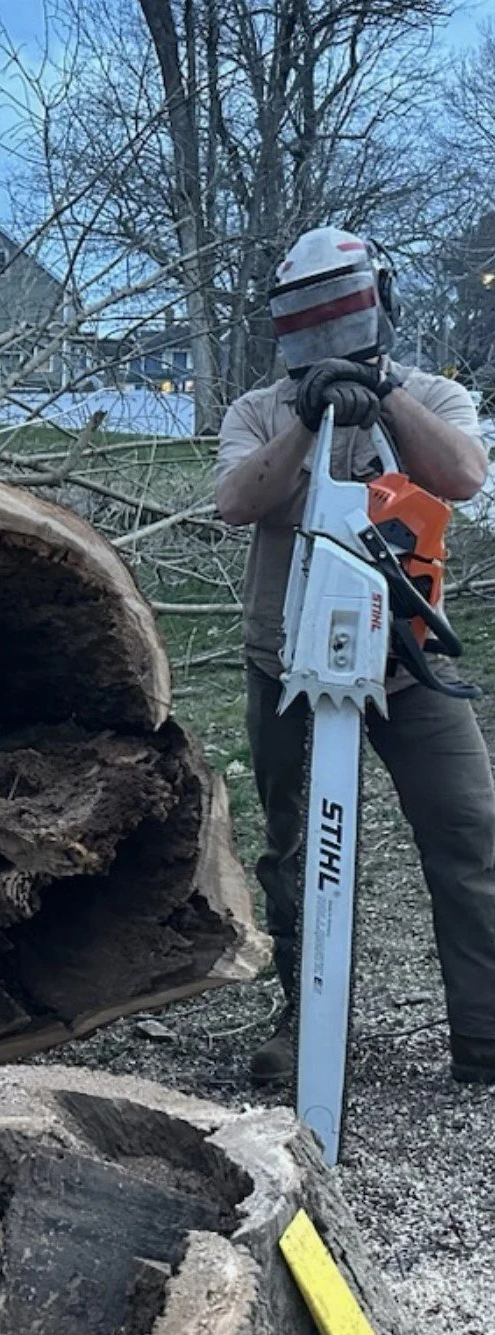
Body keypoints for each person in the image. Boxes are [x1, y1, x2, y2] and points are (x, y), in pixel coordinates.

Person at [214, 224, 495, 1084]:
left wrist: (382, 395)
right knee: (293, 847)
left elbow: (464, 475)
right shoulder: (258, 412)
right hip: (288, 662)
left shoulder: (434, 397)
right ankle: (309, 1018)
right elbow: (235, 499)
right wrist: (306, 420)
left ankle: (484, 1030)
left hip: (410, 660)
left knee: (468, 829)